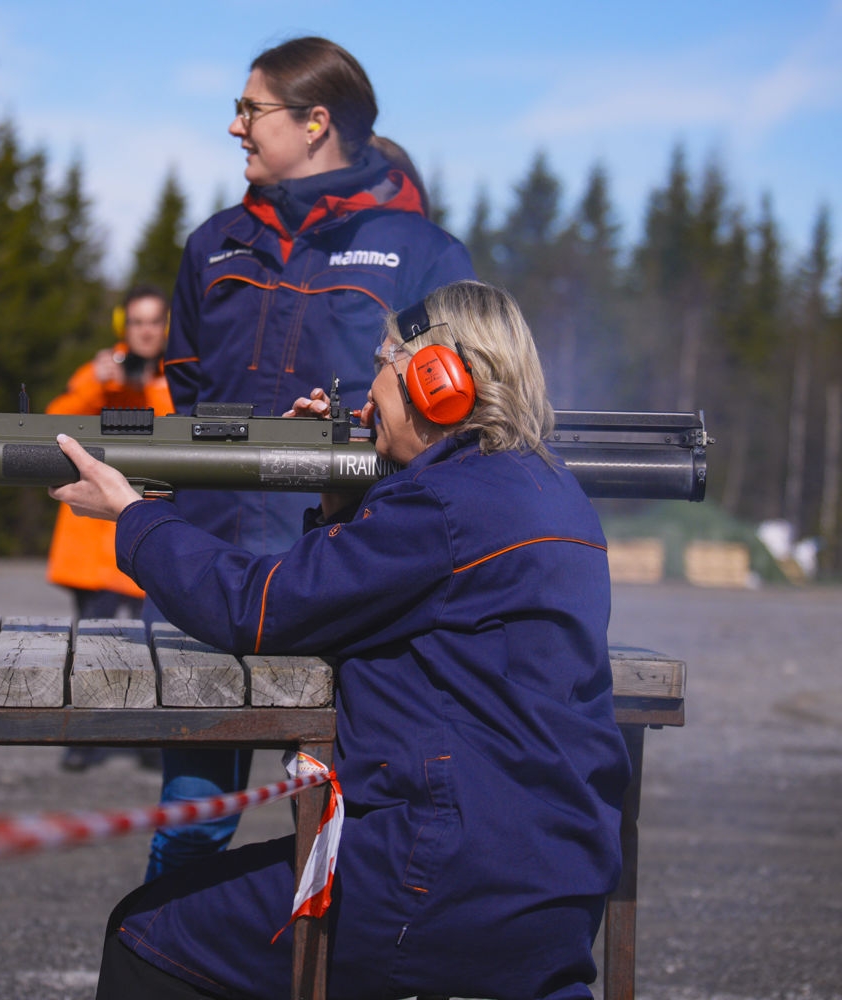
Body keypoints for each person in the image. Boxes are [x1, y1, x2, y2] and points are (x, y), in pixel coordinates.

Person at [52, 281, 630, 1000]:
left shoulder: (438, 507)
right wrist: (339, 501)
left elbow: (256, 608)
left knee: (149, 931)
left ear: (435, 380)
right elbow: (374, 603)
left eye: (384, 362)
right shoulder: (551, 493)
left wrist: (133, 517)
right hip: (557, 889)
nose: (367, 391)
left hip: (438, 881)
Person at [148, 35, 477, 880]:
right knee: (188, 831)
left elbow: (453, 430)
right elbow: (181, 402)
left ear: (316, 121)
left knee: (344, 832)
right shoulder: (212, 245)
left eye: (251, 109)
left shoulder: (423, 254)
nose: (235, 127)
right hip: (209, 582)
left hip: (352, 592)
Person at [45, 285, 173, 771]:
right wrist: (97, 384)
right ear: (125, 326)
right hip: (93, 539)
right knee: (93, 646)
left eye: (154, 321)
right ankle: (85, 737)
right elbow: (53, 426)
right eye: (137, 322)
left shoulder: (175, 381)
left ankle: (148, 738)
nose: (145, 331)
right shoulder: (99, 375)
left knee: (156, 645)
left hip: (148, 534)